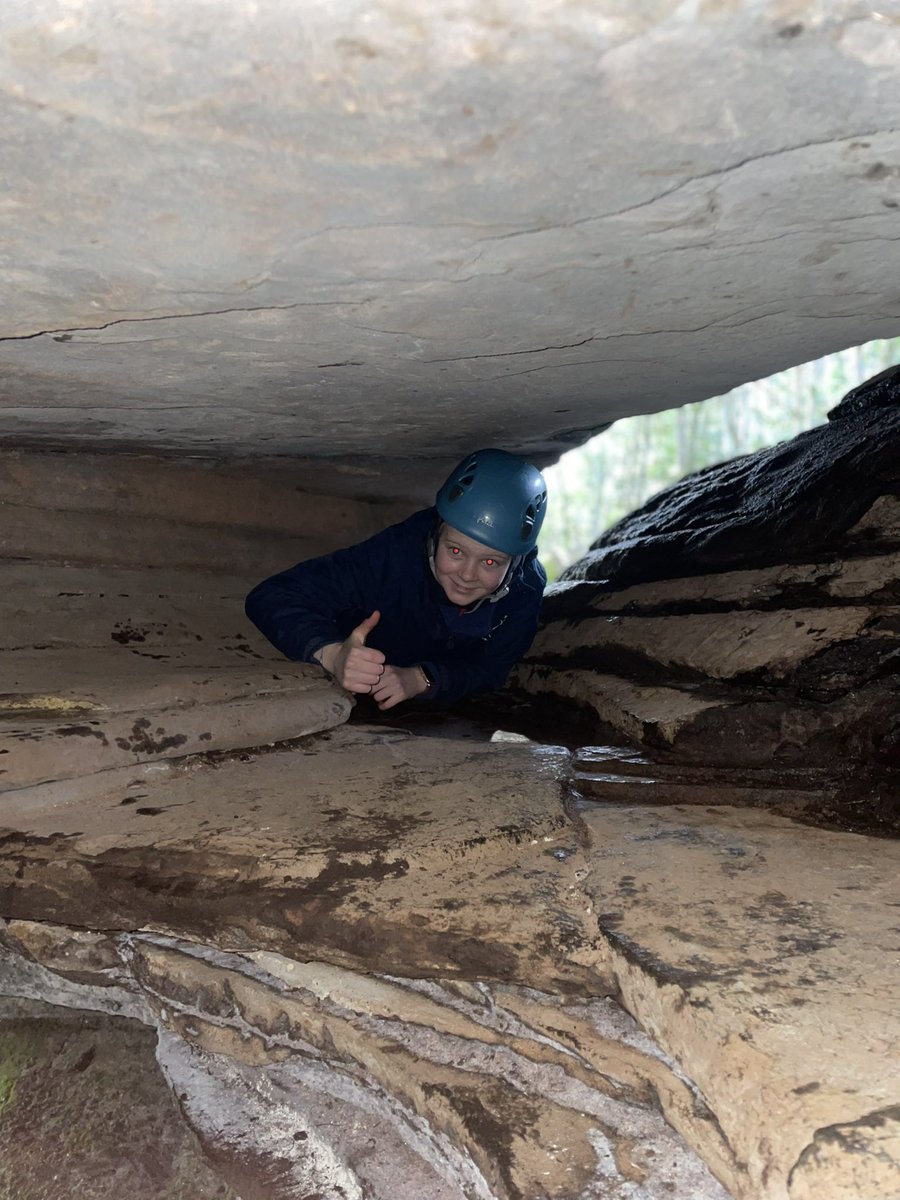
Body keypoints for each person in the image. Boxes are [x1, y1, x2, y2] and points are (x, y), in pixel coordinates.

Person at [245, 448, 548, 709]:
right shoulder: (395, 555)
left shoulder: (525, 586)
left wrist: (425, 678)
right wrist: (332, 653)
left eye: (491, 561)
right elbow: (272, 596)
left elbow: (493, 667)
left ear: (515, 562)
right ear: (435, 535)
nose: (467, 575)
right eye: (455, 550)